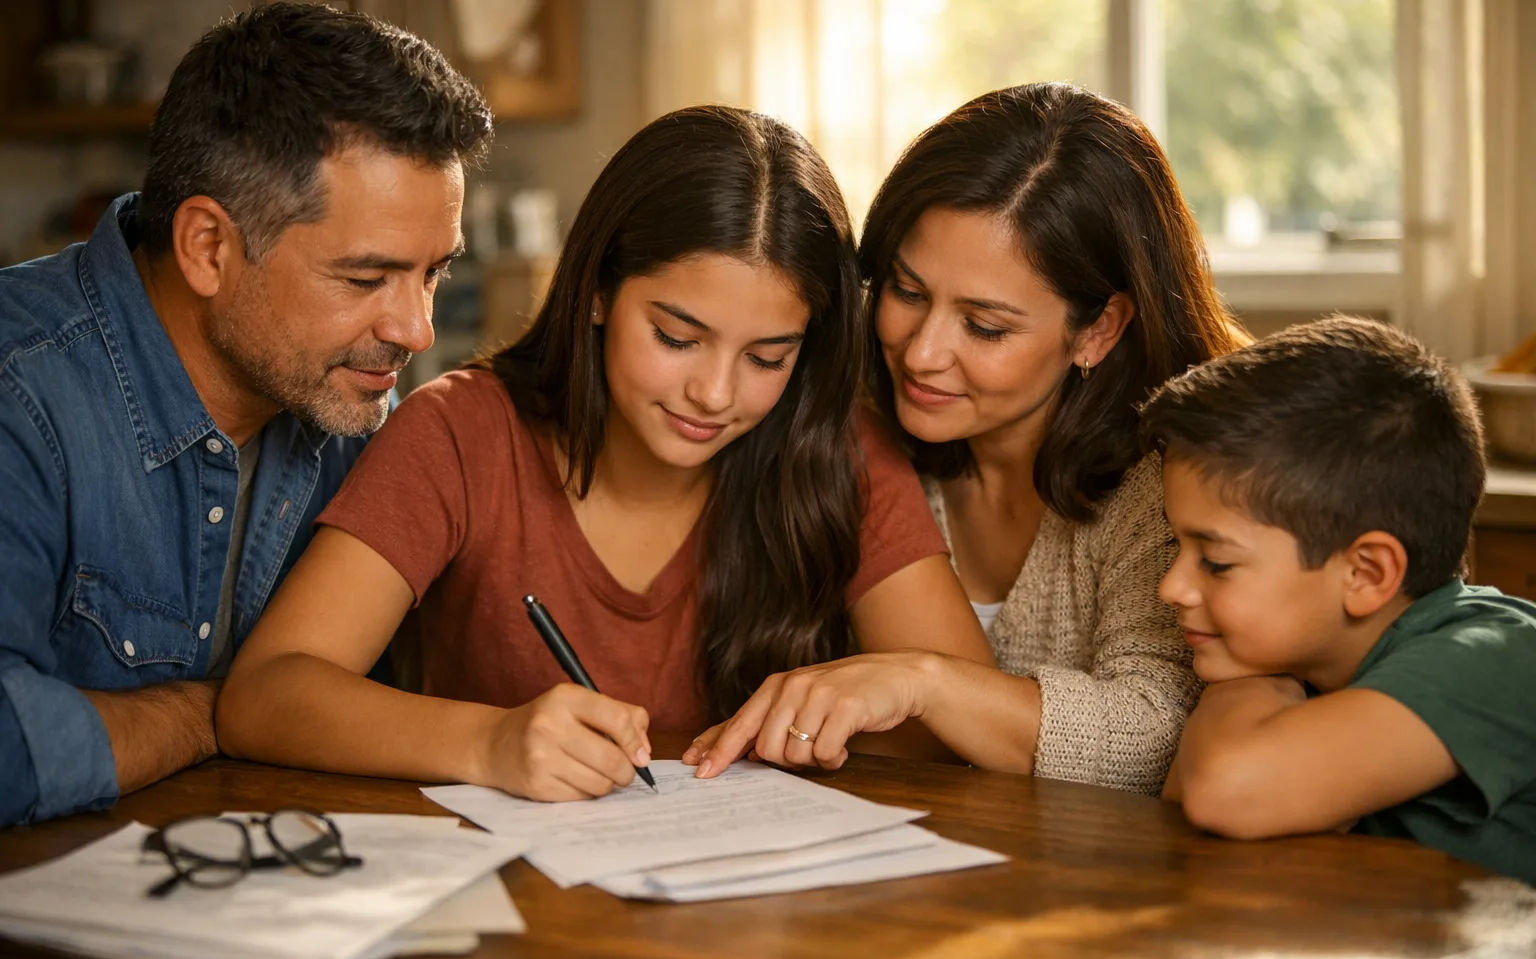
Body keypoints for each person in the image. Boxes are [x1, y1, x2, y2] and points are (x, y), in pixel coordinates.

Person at [216, 106, 992, 802]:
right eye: (677, 338)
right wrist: (488, 743)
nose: (715, 394)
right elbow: (266, 695)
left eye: (767, 357)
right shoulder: (460, 434)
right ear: (596, 291)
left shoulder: (837, 448)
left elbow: (970, 716)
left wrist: (841, 717)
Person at [0, 3, 491, 827]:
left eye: (434, 271)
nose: (417, 330)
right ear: (208, 247)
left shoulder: (350, 402)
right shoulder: (21, 391)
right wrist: (223, 713)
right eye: (366, 279)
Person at [688, 82, 1242, 794]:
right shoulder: (848, 425)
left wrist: (923, 682)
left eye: (985, 327)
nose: (921, 353)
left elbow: (1164, 733)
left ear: (1100, 329)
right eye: (907, 292)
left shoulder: (1175, 486)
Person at [1144, 315, 1535, 885]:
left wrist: (1246, 677)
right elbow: (1188, 820)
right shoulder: (1302, 664)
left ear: (1365, 573)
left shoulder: (1497, 657)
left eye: (1217, 562)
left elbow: (1223, 792)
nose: (1170, 588)